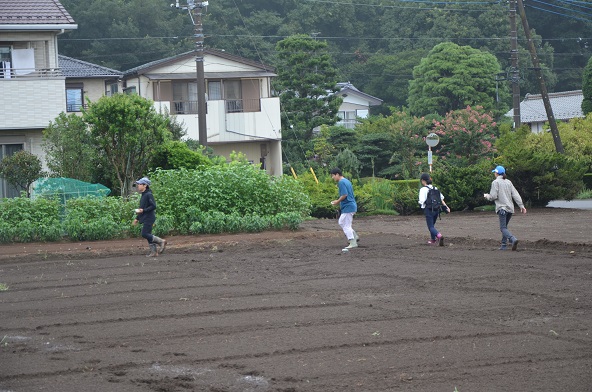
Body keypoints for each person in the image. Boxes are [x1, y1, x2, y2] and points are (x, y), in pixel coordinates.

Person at [484, 165, 527, 251]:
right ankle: (503, 245)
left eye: (494, 172)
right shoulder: (508, 182)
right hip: (510, 209)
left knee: (503, 228)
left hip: (502, 208)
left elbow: (493, 196)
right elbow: (515, 194)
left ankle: (512, 239)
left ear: (496, 173)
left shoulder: (495, 182)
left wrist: (486, 196)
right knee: (505, 227)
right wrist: (521, 206)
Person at [132, 177, 167, 257]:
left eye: (140, 184)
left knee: (144, 234)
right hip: (145, 217)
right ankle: (154, 252)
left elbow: (153, 206)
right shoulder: (144, 195)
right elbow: (142, 208)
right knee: (148, 234)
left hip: (149, 217)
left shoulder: (148, 194)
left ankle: (161, 241)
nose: (138, 186)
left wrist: (143, 211)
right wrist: (137, 218)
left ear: (145, 185)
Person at [330, 168, 359, 250]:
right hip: (350, 205)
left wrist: (337, 202)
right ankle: (354, 236)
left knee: (346, 225)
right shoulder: (346, 181)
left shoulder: (341, 182)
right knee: (342, 222)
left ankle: (352, 242)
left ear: (337, 174)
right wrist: (338, 201)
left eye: (333, 176)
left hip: (348, 206)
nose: (333, 178)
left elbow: (344, 194)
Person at [418, 173, 450, 246]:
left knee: (430, 227)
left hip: (428, 210)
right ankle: (433, 240)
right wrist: (446, 207)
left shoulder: (423, 189)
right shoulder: (435, 188)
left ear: (423, 180)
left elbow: (421, 201)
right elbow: (441, 198)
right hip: (437, 210)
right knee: (432, 225)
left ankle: (439, 236)